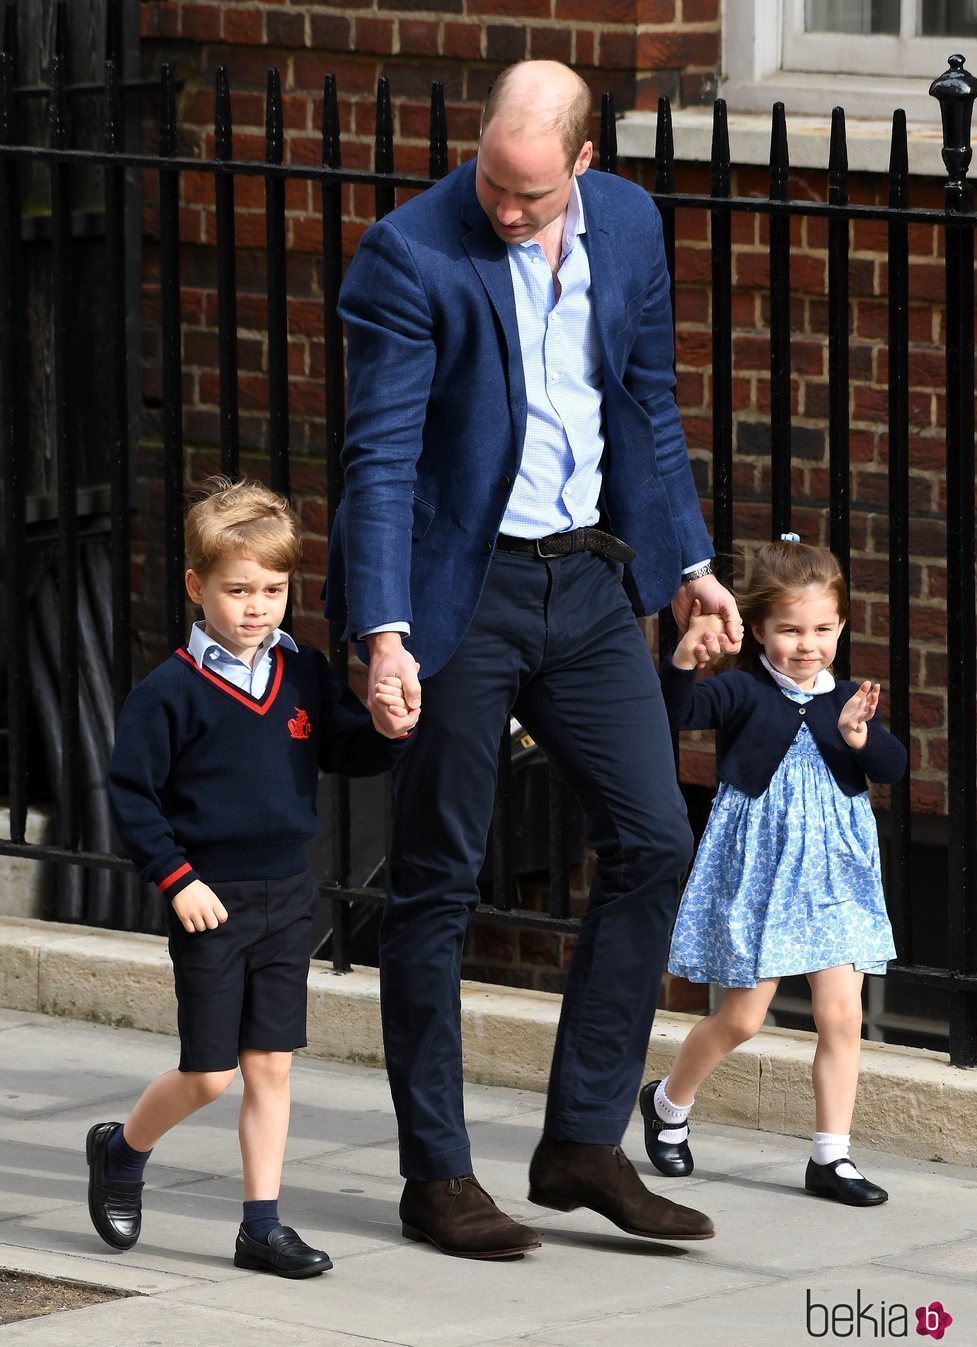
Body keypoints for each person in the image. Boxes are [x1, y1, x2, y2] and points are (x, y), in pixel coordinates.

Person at [325, 59, 742, 1259]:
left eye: (529, 194)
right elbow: (380, 461)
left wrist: (688, 567)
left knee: (656, 839)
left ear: (583, 161)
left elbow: (646, 407)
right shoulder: (410, 257)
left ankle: (577, 1146)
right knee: (437, 884)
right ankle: (436, 1176)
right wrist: (384, 633)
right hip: (465, 592)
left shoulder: (626, 222)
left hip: (590, 580)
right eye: (491, 185)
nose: (503, 211)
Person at [90, 477, 416, 1277]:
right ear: (198, 587)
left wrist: (386, 727)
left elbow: (345, 749)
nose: (257, 605)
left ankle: (260, 1225)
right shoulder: (167, 692)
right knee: (209, 1072)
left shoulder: (301, 670)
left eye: (273, 589)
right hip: (208, 900)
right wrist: (177, 878)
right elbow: (132, 795)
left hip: (287, 897)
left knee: (272, 1064)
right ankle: (122, 1149)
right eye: (238, 590)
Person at [639, 537, 907, 1207]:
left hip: (835, 876)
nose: (807, 643)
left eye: (822, 628)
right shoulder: (740, 690)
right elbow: (671, 716)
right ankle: (668, 1102)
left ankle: (832, 1156)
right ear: (757, 628)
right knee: (743, 1018)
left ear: (841, 626)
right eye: (789, 629)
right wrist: (678, 659)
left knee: (841, 1015)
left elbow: (895, 766)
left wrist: (859, 738)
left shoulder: (846, 700)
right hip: (762, 873)